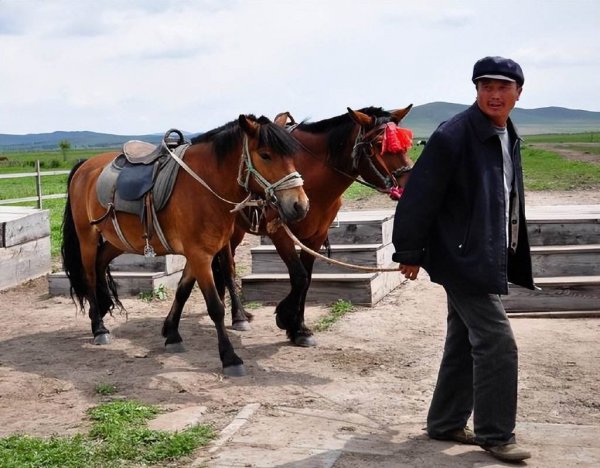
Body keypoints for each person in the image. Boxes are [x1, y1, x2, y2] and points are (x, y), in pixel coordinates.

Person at [391, 56, 535, 463]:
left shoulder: (506, 133)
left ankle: (446, 422)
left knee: (463, 339)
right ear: (475, 90)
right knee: (497, 343)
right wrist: (409, 252)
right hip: (461, 256)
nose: (494, 94)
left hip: (482, 250)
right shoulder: (454, 134)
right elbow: (420, 195)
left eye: (503, 87)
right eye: (486, 86)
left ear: (518, 94)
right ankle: (496, 434)